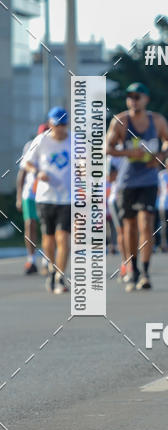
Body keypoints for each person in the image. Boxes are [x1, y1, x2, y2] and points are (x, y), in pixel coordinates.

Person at [106, 82, 168, 292]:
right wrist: (128, 153)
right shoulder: (120, 121)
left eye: (137, 97)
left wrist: (161, 155)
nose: (133, 100)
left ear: (146, 99)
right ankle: (133, 269)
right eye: (130, 97)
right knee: (129, 227)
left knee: (146, 223)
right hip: (127, 181)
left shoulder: (157, 120)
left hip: (149, 180)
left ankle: (145, 271)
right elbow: (107, 148)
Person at [23, 107, 72, 295]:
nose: (60, 129)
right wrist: (37, 172)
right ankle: (51, 269)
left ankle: (60, 275)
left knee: (63, 237)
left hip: (67, 198)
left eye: (63, 125)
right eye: (56, 125)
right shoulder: (41, 140)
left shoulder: (75, 141)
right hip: (45, 197)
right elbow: (27, 163)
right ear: (50, 124)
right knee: (49, 238)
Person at [16, 123, 48, 275]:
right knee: (30, 224)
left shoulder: (56, 147)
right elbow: (22, 172)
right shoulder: (30, 146)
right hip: (30, 193)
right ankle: (31, 260)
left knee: (47, 227)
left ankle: (46, 260)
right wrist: (18, 196)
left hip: (47, 194)